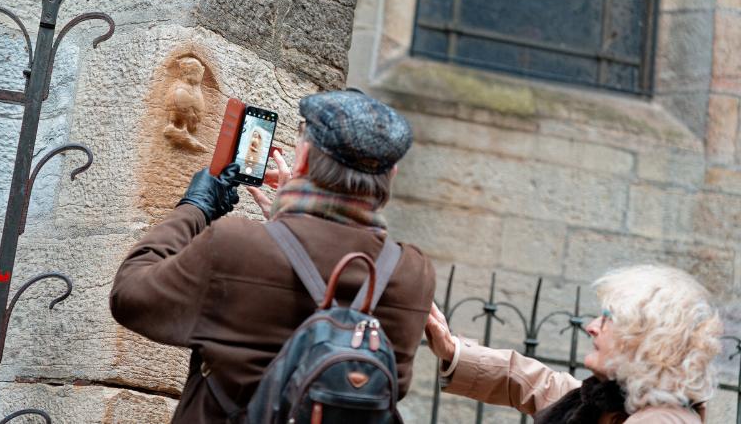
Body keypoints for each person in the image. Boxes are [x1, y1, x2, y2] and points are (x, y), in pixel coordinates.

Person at [110, 90, 436, 423]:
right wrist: (287, 225)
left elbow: (130, 296)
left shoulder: (237, 244)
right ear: (391, 175)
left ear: (304, 157)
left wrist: (195, 207)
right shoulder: (412, 273)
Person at [424, 265, 724, 423]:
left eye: (607, 318)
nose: (592, 327)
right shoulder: (614, 400)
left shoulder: (662, 422)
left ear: (645, 341)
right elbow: (537, 384)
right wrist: (452, 352)